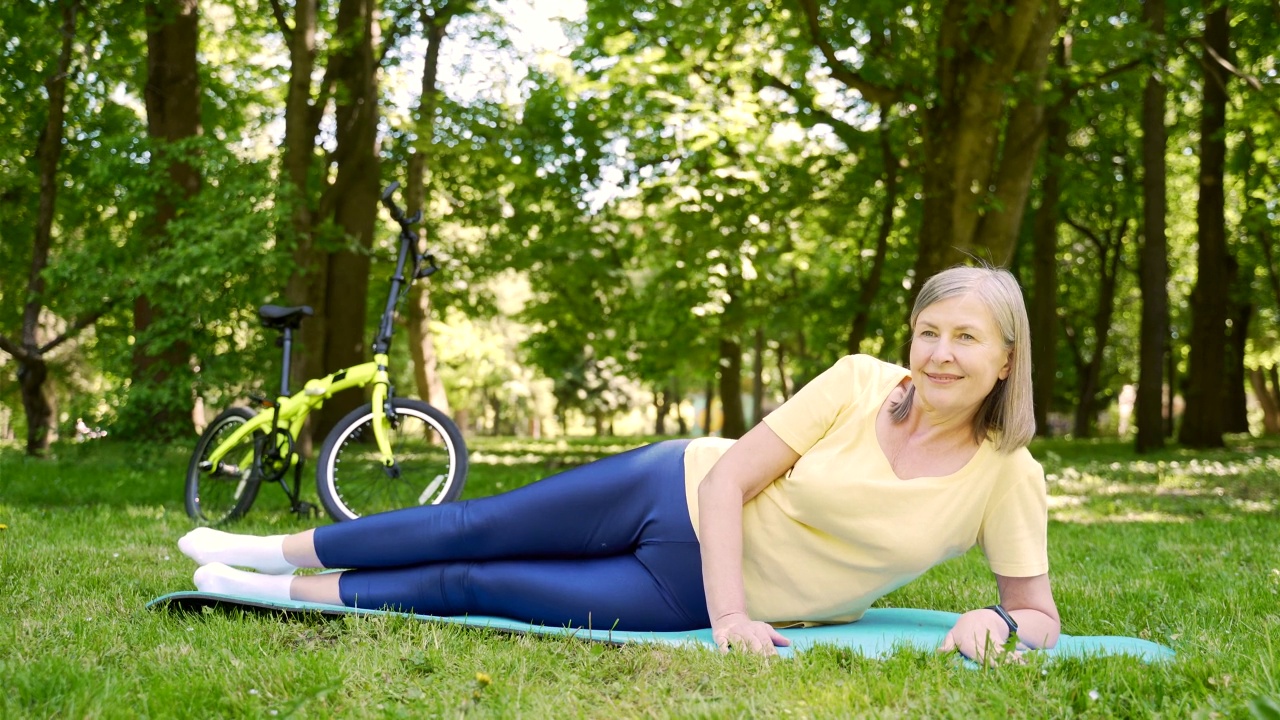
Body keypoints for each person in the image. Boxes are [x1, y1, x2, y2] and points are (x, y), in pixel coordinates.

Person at [179, 265, 1059, 662]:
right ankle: (271, 553)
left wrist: (1004, 627)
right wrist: (733, 618)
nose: (940, 354)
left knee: (476, 583)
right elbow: (728, 481)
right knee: (471, 523)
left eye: (966, 338)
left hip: (677, 595)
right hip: (672, 492)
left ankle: (254, 594)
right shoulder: (861, 382)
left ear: (1006, 360)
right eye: (928, 331)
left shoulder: (1007, 475)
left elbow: (1036, 610)